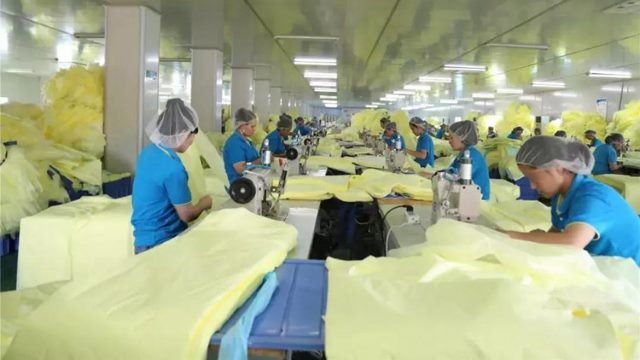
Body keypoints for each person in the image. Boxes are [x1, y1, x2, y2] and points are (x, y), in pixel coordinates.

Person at [505, 136, 640, 265]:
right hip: (608, 266)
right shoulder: (561, 196)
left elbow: (572, 241)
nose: (532, 186)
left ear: (558, 168)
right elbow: (556, 234)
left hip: (632, 274)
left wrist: (511, 236)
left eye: (533, 178)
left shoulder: (592, 196)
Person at [131, 99, 212, 254]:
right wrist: (205, 203)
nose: (192, 141)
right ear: (184, 134)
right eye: (192, 136)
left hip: (142, 239)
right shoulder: (173, 169)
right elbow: (186, 215)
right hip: (162, 242)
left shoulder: (149, 153)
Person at [445, 121, 491, 200]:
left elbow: (458, 177)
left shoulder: (472, 155)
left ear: (462, 137)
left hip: (478, 200)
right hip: (466, 195)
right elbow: (450, 171)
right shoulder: (463, 153)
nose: (449, 141)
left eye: (451, 138)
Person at [223, 108, 261, 183]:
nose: (254, 129)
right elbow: (240, 169)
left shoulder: (247, 141)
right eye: (252, 126)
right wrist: (261, 160)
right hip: (240, 186)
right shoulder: (234, 143)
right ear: (242, 125)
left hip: (251, 180)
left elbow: (253, 159)